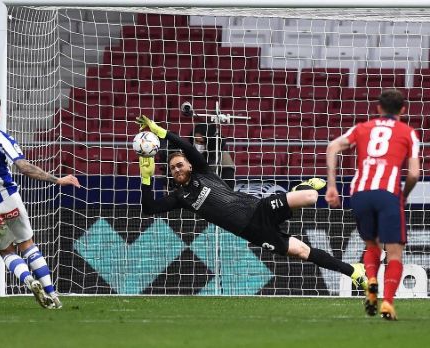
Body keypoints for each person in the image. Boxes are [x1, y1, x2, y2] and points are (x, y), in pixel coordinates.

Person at [136, 115, 368, 292]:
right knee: (301, 251)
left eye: (180, 165)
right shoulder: (180, 197)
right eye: (173, 167)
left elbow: (186, 147)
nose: (177, 169)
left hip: (258, 208)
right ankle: (353, 271)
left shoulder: (203, 172)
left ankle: (299, 188)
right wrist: (146, 176)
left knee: (311, 197)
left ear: (189, 165)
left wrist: (159, 131)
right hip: (252, 232)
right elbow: (149, 208)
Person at [0, 92, 80, 309]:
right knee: (28, 245)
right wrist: (57, 179)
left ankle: (28, 281)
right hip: (8, 198)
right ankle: (52, 294)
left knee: (7, 252)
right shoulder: (1, 136)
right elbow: (23, 166)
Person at [326, 89, 420, 320]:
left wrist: (332, 186)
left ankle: (371, 281)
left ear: (378, 108)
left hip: (359, 193)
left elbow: (332, 147)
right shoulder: (408, 132)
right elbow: (414, 174)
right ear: (403, 110)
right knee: (394, 253)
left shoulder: (362, 128)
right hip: (387, 193)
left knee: (372, 245)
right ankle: (387, 302)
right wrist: (404, 195)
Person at [190, 123, 235, 189]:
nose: (198, 145)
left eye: (202, 142)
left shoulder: (223, 156)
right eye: (196, 141)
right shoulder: (189, 153)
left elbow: (229, 185)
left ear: (210, 142)